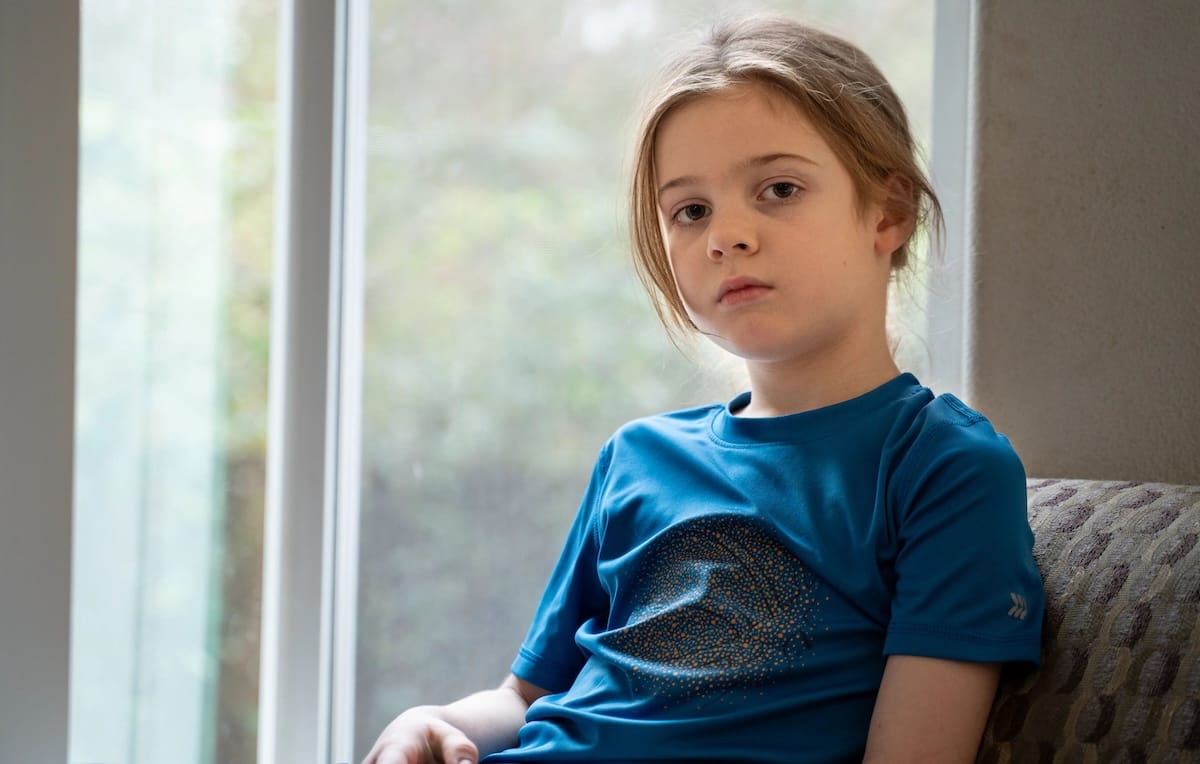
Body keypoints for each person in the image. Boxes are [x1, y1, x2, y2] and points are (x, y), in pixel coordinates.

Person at [363, 13, 1043, 764]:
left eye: (778, 189)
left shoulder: (944, 469)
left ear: (889, 213)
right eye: (691, 211)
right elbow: (523, 699)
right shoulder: (635, 456)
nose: (726, 236)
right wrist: (429, 721)